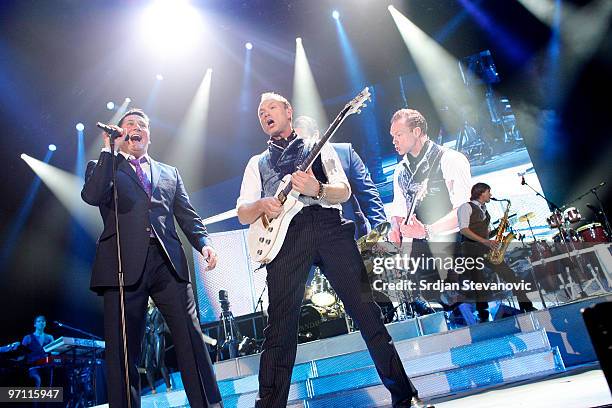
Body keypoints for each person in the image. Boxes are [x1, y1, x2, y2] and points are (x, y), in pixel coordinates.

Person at [236, 93, 432, 408]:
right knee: (280, 327)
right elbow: (243, 211)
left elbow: (344, 191)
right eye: (260, 112)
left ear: (288, 111)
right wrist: (262, 204)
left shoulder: (320, 147)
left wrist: (318, 189)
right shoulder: (256, 163)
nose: (264, 114)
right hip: (287, 239)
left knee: (367, 313)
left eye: (271, 108)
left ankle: (404, 397)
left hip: (330, 228)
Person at [81, 109, 222, 408]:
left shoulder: (169, 172)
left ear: (149, 135)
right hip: (121, 264)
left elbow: (187, 214)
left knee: (190, 338)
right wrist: (110, 149)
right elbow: (92, 196)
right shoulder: (104, 165)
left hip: (166, 261)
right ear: (120, 133)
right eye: (129, 124)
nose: (136, 128)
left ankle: (209, 405)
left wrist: (204, 243)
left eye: (142, 125)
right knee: (122, 348)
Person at [387, 109, 471, 310]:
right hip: (420, 259)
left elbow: (464, 212)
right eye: (392, 137)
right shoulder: (400, 170)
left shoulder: (450, 159)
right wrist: (395, 229)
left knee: (466, 315)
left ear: (416, 131)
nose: (394, 141)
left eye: (398, 135)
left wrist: (427, 231)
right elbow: (399, 211)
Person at [294, 115, 387, 239]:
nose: (300, 148)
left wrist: (380, 235)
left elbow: (369, 196)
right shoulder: (291, 166)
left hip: (352, 238)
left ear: (316, 135)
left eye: (303, 141)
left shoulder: (345, 153)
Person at [457, 182, 536, 322]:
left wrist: (499, 229)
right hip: (471, 250)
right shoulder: (465, 207)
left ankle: (526, 305)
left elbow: (485, 233)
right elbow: (464, 230)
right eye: (489, 192)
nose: (490, 195)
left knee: (510, 275)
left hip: (486, 248)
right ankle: (483, 315)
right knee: (479, 283)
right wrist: (485, 241)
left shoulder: (484, 210)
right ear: (481, 193)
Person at [140, 298, 172, 394]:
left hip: (158, 336)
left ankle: (168, 386)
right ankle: (153, 389)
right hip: (149, 338)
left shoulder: (159, 310)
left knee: (160, 362)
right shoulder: (144, 313)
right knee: (147, 364)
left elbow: (166, 323)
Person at [21, 315, 54, 387]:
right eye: (39, 321)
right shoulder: (28, 337)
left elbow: (53, 351)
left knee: (48, 387)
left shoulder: (49, 337)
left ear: (45, 324)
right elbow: (21, 352)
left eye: (43, 321)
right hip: (33, 367)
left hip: (46, 366)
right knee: (38, 380)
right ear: (35, 324)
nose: (41, 322)